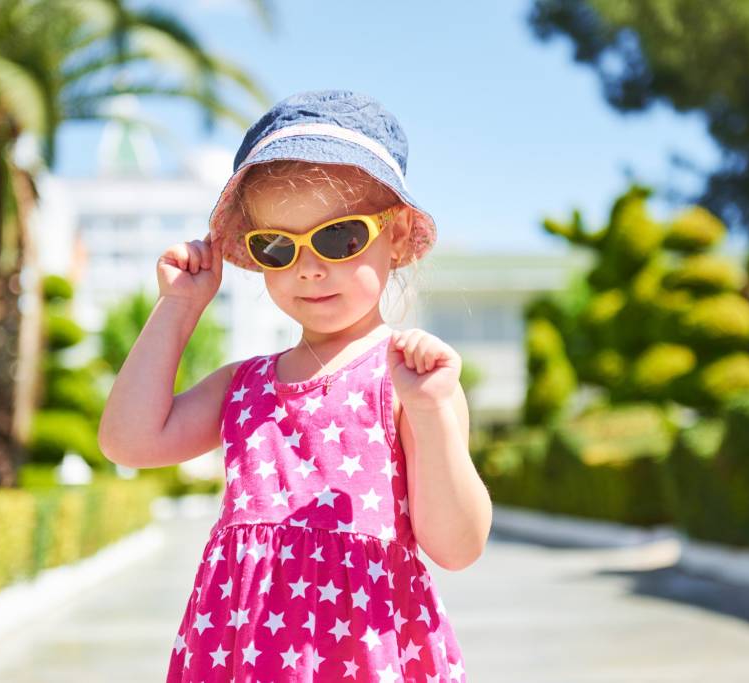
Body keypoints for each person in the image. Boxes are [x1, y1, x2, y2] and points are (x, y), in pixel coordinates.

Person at [98, 89, 492, 682]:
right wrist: (179, 307)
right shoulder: (244, 386)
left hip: (364, 654)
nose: (309, 267)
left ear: (396, 232)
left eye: (339, 238)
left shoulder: (409, 377)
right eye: (277, 246)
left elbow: (457, 547)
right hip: (246, 656)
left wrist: (432, 411)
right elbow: (128, 442)